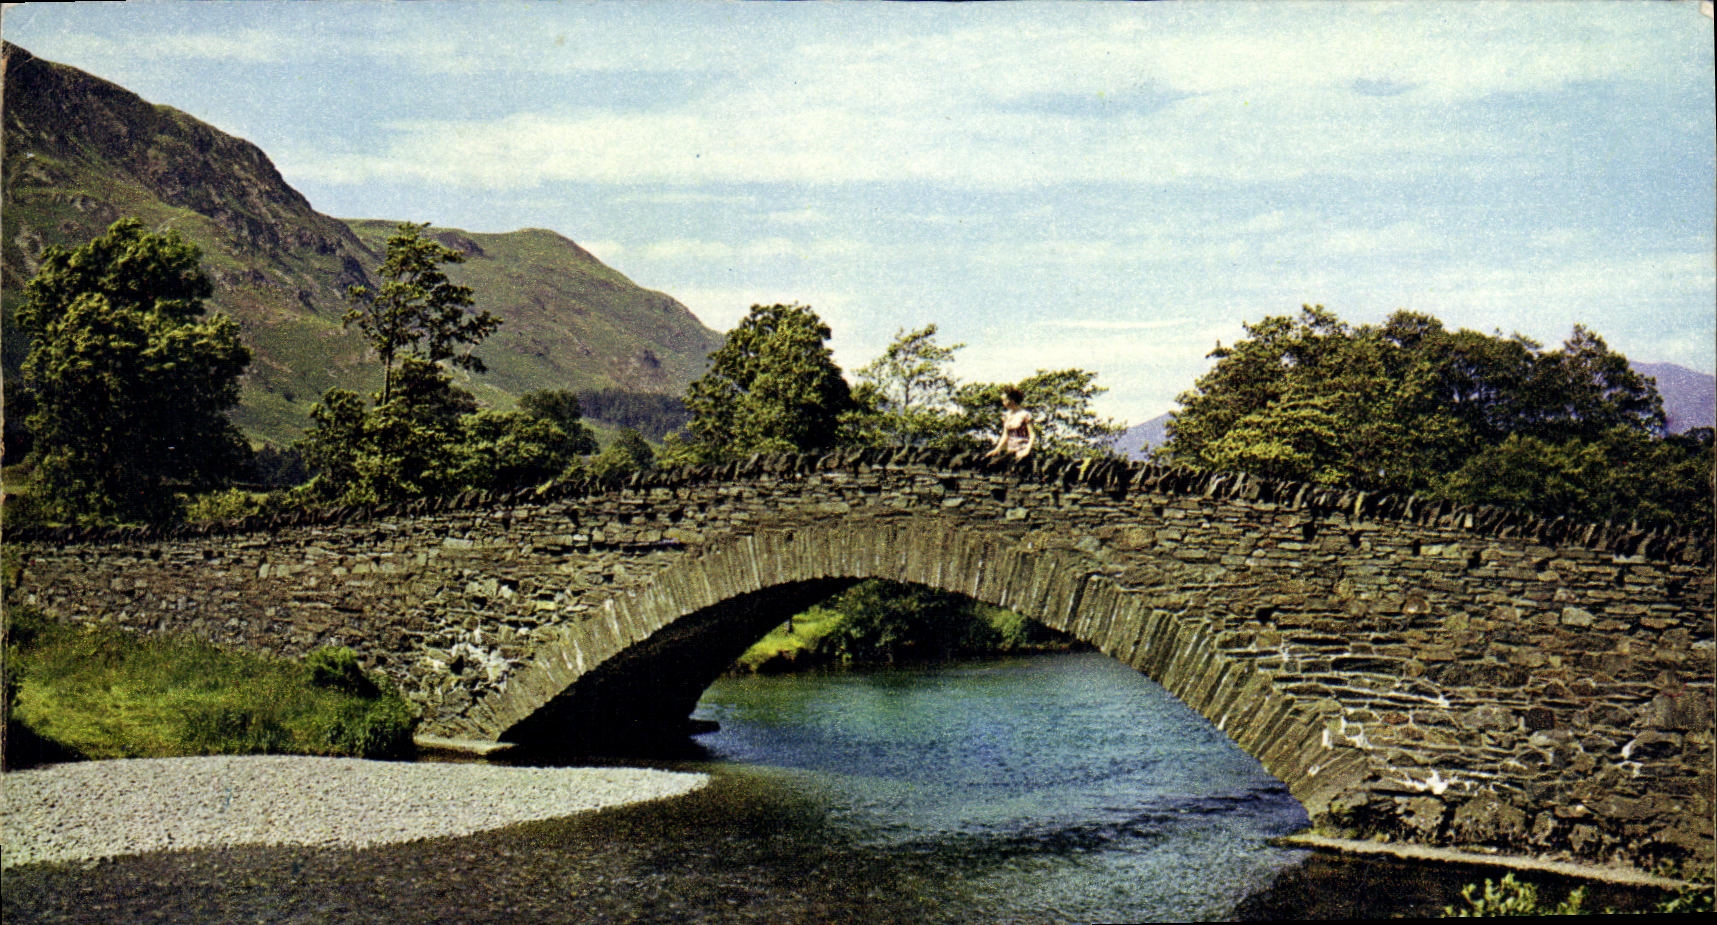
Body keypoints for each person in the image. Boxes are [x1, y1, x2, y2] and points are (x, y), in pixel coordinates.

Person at [985, 387, 1035, 460]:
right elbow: (1005, 435)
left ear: (1012, 400)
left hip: (1023, 451)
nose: (1003, 403)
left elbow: (1032, 435)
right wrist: (997, 449)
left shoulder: (1025, 414)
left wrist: (1027, 450)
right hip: (1011, 452)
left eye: (1005, 400)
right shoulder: (1006, 416)